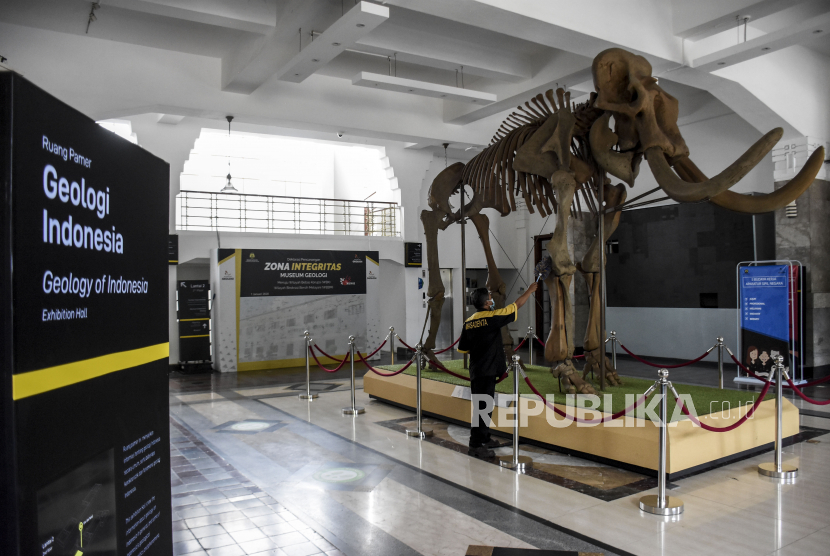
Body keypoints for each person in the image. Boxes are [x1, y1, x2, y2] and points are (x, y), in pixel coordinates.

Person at [457, 283, 538, 459]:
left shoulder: (468, 322)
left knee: (484, 406)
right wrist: (530, 290)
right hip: (486, 371)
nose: (493, 300)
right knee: (482, 408)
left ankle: (484, 438)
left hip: (477, 370)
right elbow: (516, 306)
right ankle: (476, 445)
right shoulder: (492, 317)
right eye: (491, 298)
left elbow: (464, 349)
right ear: (486, 303)